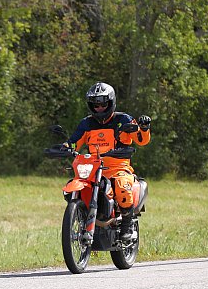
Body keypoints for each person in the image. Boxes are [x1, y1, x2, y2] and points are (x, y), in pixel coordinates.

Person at [64, 82, 151, 240]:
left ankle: (127, 225)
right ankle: (81, 218)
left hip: (119, 167)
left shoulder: (124, 119)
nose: (99, 108)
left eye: (103, 103)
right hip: (93, 168)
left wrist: (143, 129)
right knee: (73, 187)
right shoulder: (86, 123)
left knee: (122, 187)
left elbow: (141, 140)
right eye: (95, 104)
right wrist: (64, 147)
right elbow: (74, 141)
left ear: (110, 102)